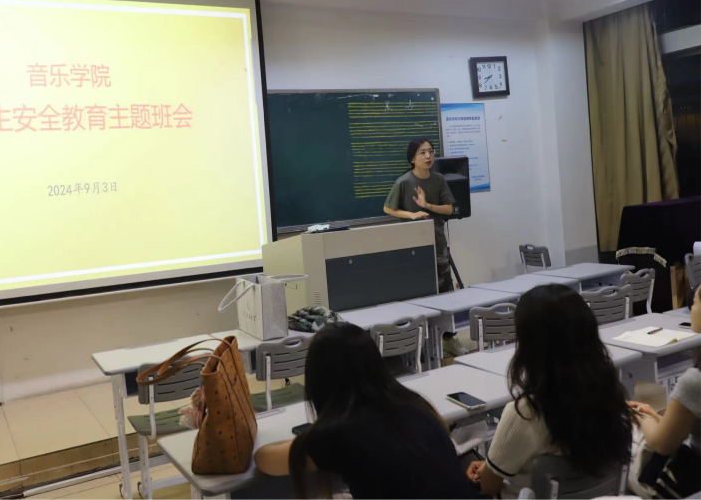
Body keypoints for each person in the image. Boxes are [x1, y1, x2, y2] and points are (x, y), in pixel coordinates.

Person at [254, 322, 477, 500]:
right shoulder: (416, 403)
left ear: (319, 382)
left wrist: (310, 435)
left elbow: (264, 459)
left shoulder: (336, 433)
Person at [466, 284, 634, 500]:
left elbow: (489, 486)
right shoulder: (611, 395)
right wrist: (496, 462)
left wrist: (492, 468)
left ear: (530, 349)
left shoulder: (524, 413)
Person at [383, 137, 466, 355]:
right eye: (422, 152)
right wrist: (411, 214)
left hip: (438, 243)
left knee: (446, 294)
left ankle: (448, 339)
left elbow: (449, 209)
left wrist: (427, 205)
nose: (428, 156)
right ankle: (419, 345)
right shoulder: (403, 182)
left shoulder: (438, 179)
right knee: (418, 297)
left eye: (430, 151)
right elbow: (388, 208)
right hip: (412, 249)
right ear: (412, 159)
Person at [628, 286, 701, 497]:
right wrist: (656, 415)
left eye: (695, 303)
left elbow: (662, 444)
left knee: (629, 438)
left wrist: (641, 416)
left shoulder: (694, 381)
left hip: (693, 482)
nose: (691, 308)